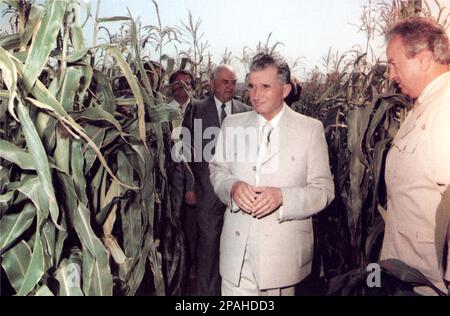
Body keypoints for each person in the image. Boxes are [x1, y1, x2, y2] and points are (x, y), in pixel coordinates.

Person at [209, 53, 334, 296]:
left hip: (282, 259)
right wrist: (232, 187)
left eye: (265, 86)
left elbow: (324, 190)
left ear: (285, 90)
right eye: (252, 86)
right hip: (236, 258)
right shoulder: (232, 125)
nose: (256, 95)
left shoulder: (310, 129)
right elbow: (217, 170)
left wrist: (283, 197)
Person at [381, 17, 450, 295]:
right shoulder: (426, 103)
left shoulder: (445, 108)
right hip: (408, 269)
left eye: (394, 63)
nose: (390, 74)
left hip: (428, 280)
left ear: (422, 60)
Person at [182, 64, 251, 295]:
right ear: (212, 83)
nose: (230, 87)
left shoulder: (246, 111)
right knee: (208, 248)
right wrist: (190, 187)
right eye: (224, 82)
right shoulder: (196, 109)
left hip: (238, 193)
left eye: (233, 82)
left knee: (235, 248)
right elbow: (186, 151)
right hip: (206, 191)